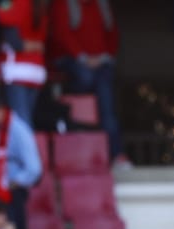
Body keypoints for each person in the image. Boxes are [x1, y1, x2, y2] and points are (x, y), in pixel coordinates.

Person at [52, 0, 123, 162]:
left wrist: (106, 56)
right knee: (86, 78)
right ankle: (79, 127)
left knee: (107, 106)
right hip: (70, 61)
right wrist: (82, 58)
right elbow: (61, 34)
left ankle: (116, 154)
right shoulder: (63, 4)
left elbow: (112, 33)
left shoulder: (102, 4)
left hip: (100, 62)